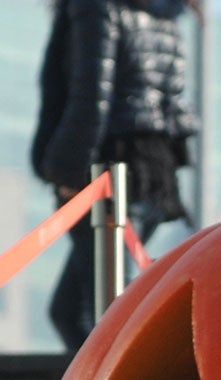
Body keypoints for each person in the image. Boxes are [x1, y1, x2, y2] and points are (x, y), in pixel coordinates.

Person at [32, 0, 197, 352]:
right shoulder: (163, 10)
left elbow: (91, 95)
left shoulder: (96, 6)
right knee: (70, 311)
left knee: (117, 315)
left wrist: (70, 172)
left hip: (110, 173)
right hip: (154, 172)